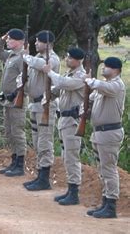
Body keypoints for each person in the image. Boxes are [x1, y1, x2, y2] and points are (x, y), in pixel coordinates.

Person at [43, 47, 86, 205]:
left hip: (73, 122)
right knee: (66, 156)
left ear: (78, 60)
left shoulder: (80, 76)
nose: (67, 60)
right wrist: (50, 92)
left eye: (69, 58)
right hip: (64, 120)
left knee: (72, 157)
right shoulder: (69, 74)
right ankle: (70, 189)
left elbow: (62, 83)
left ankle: (74, 192)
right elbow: (59, 88)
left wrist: (50, 72)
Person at [84, 57, 125, 219]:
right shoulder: (105, 87)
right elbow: (91, 98)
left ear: (115, 69)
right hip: (99, 133)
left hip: (109, 133)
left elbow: (100, 86)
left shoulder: (116, 85)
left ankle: (111, 205)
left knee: (109, 169)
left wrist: (89, 80)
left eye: (107, 66)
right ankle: (105, 201)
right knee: (102, 169)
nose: (104, 69)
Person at [22, 30, 60, 191]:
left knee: (45, 142)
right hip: (35, 105)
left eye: (39, 41)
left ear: (48, 43)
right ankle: (39, 175)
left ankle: (44, 178)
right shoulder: (37, 57)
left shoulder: (53, 59)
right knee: (37, 141)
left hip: (46, 105)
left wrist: (26, 56)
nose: (36, 44)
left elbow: (43, 67)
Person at [0, 29, 27, 177]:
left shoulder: (23, 58)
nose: (8, 41)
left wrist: (16, 94)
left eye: (10, 39)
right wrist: (2, 39)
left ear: (19, 42)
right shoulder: (11, 56)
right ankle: (13, 161)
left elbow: (26, 79)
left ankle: (20, 164)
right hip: (7, 100)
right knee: (9, 132)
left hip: (17, 100)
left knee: (17, 132)